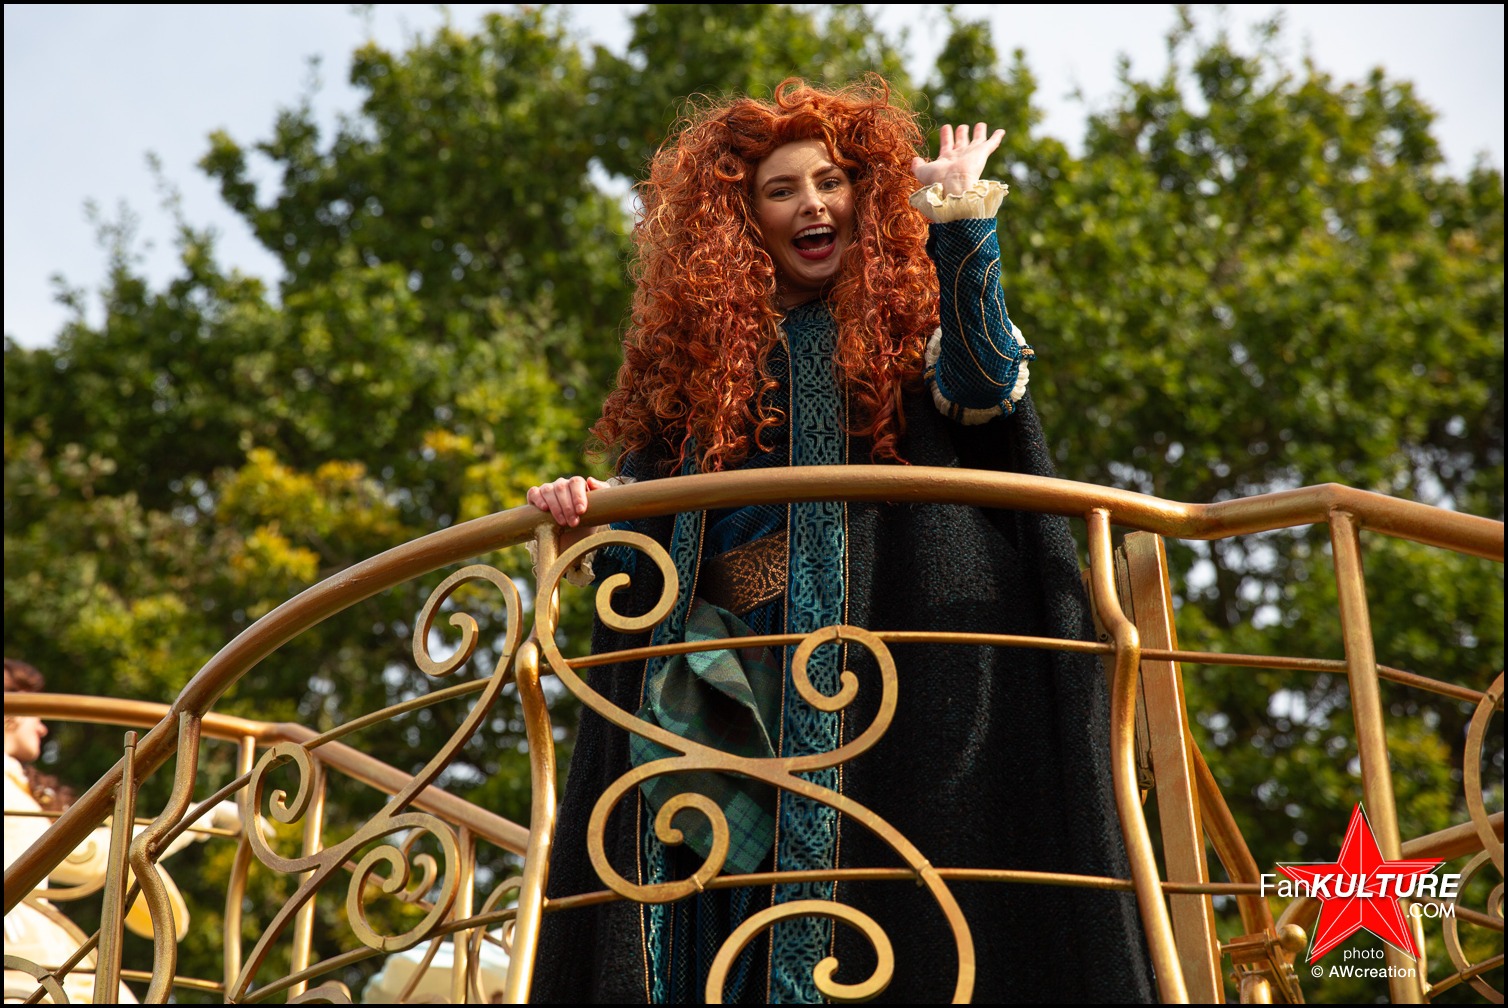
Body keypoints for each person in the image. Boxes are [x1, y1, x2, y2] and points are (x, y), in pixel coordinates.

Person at [526, 76, 1154, 1003]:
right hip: (732, 680)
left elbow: (985, 387)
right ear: (744, 220)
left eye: (830, 182)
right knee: (718, 898)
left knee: (894, 891)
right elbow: (642, 553)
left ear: (864, 197)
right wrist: (586, 506)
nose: (812, 204)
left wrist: (959, 216)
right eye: (781, 190)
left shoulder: (911, 327)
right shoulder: (698, 369)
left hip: (893, 671)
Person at [3, 658, 239, 1004]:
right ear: (11, 709)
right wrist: (200, 816)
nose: (42, 729)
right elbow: (86, 857)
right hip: (20, 949)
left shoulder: (17, 784)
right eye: (36, 714)